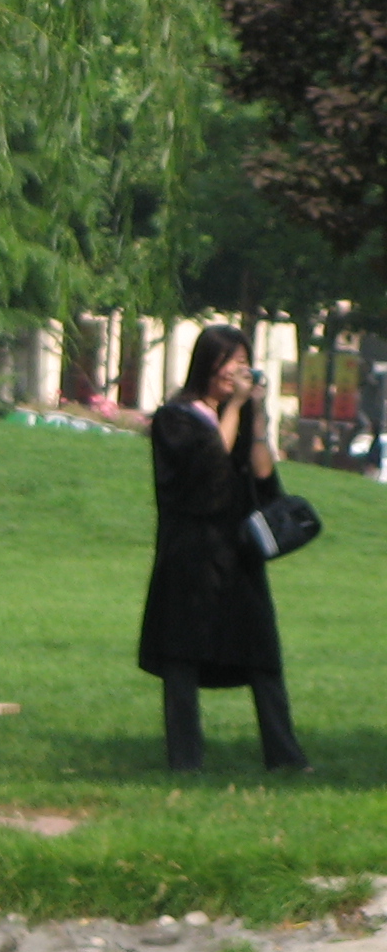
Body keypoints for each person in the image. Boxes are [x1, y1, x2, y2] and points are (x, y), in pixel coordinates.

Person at [137, 325, 309, 773]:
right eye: (229, 359)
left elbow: (265, 481)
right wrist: (232, 409)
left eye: (243, 360)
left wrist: (258, 418)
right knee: (182, 657)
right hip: (190, 554)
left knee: (262, 655)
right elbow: (209, 471)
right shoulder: (175, 419)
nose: (237, 369)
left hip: (238, 553)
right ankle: (186, 761)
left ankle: (285, 758)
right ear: (208, 364)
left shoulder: (241, 413)